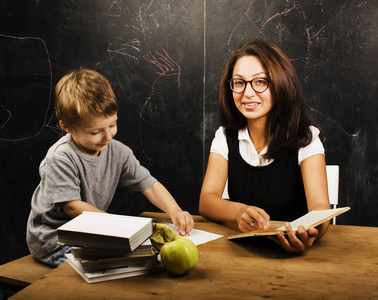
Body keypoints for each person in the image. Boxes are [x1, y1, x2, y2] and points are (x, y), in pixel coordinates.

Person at [26, 69, 194, 267]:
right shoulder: (60, 158)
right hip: (56, 239)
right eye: (96, 131)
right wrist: (119, 226)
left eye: (112, 124)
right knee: (123, 263)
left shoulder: (118, 152)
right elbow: (72, 207)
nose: (108, 136)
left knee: (143, 257)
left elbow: (148, 184)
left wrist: (174, 211)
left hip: (91, 232)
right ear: (67, 127)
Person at [199, 39, 330, 253]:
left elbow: (320, 209)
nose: (248, 93)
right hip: (241, 253)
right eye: (239, 82)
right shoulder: (225, 136)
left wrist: (310, 234)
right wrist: (238, 212)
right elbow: (206, 200)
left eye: (260, 81)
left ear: (280, 84)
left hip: (297, 259)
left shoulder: (306, 138)